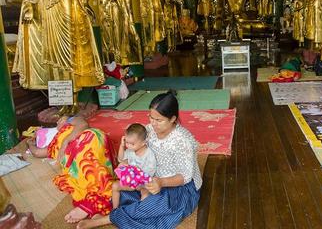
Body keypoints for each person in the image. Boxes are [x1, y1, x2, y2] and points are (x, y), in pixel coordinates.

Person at [77, 91, 202, 229]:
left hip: (179, 187)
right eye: (151, 117)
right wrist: (126, 157)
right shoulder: (149, 130)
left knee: (155, 208)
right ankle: (122, 214)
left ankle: (105, 220)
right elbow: (134, 149)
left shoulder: (183, 141)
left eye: (158, 120)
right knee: (121, 191)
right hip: (150, 179)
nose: (153, 123)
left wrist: (161, 182)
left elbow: (185, 176)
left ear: (172, 119)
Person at [26, 116, 115, 224]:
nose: (58, 123)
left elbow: (83, 125)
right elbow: (37, 153)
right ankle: (96, 205)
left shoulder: (71, 122)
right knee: (83, 173)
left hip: (88, 138)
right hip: (74, 157)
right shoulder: (53, 143)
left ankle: (96, 201)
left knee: (88, 161)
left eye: (59, 120)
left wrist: (65, 142)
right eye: (57, 123)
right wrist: (30, 144)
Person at [112, 123, 156, 209]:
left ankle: (140, 212)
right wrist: (122, 146)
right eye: (127, 142)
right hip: (131, 182)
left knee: (145, 194)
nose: (128, 146)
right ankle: (115, 210)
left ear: (143, 143)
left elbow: (151, 171)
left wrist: (139, 172)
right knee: (115, 185)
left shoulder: (149, 154)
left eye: (132, 144)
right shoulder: (130, 151)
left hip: (143, 183)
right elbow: (120, 159)